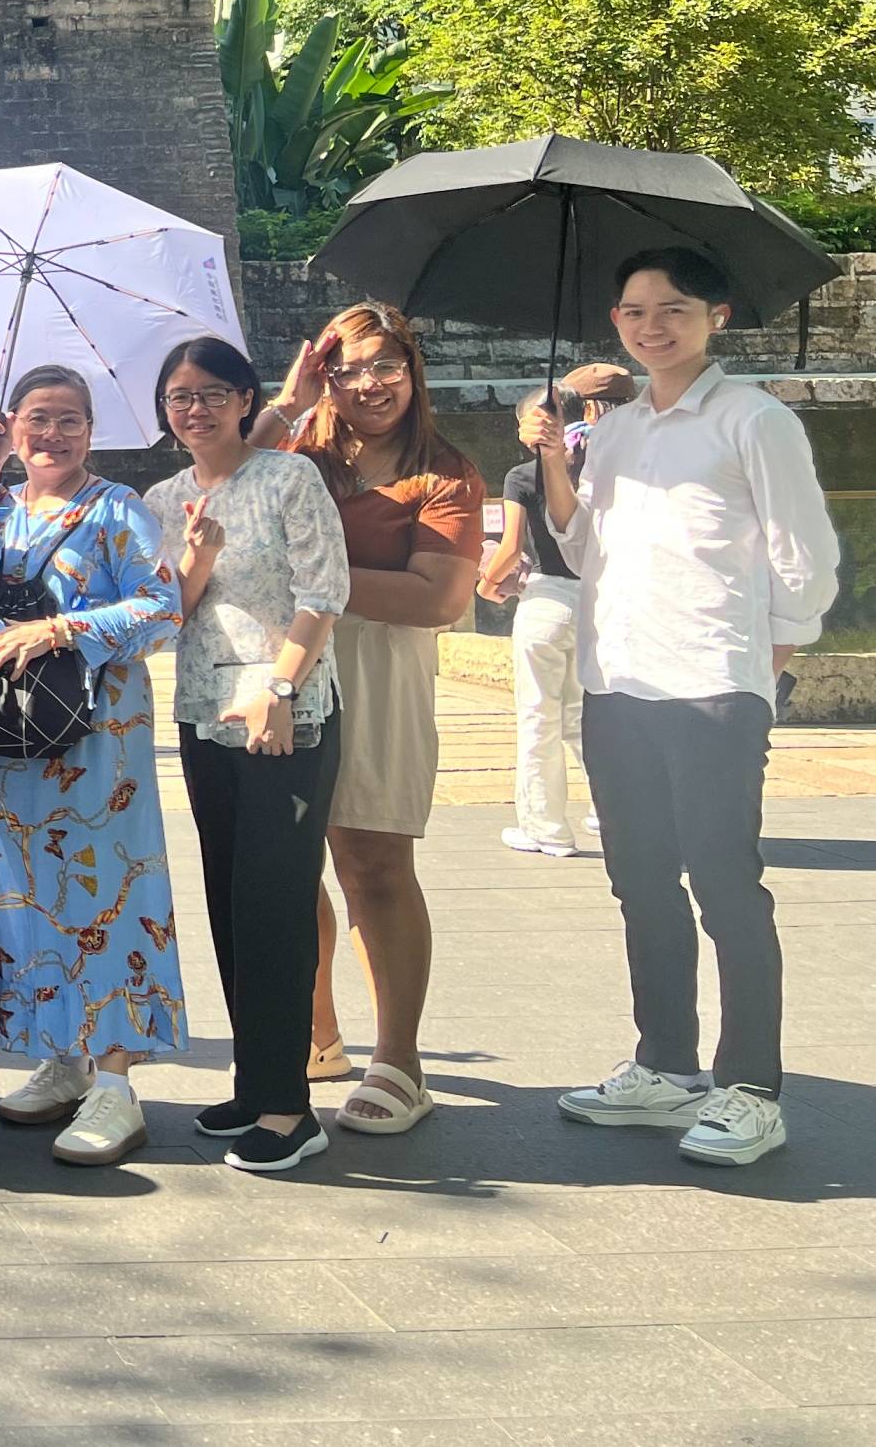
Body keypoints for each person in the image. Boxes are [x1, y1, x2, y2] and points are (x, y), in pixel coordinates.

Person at [535, 248, 838, 1168]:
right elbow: (583, 548)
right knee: (640, 884)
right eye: (632, 310)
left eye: (671, 308)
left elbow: (807, 562)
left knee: (725, 886)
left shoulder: (756, 420)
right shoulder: (616, 430)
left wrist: (762, 669)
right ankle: (666, 1065)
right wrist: (553, 458)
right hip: (617, 681)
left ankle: (751, 1088)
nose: (649, 325)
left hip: (712, 687)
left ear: (718, 315)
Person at [0, 364, 186, 1167]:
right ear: (11, 425)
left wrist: (59, 632)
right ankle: (64, 1052)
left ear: (91, 431)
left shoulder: (118, 509)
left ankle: (117, 1082)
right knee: (25, 889)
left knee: (104, 891)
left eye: (68, 421)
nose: (51, 436)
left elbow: (161, 608)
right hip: (11, 740)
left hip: (94, 741)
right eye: (37, 419)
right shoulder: (2, 508)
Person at [263, 303, 483, 1137]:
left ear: (413, 371)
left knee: (373, 864)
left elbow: (439, 596)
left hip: (378, 672)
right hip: (281, 668)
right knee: (287, 863)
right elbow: (221, 481)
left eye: (385, 366)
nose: (368, 385)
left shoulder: (444, 471)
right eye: (348, 369)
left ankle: (401, 1060)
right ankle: (315, 1034)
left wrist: (311, 572)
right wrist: (288, 399)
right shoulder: (297, 453)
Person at [142, 339, 348, 1176]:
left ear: (244, 399)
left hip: (286, 718)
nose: (194, 409)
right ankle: (253, 1078)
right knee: (230, 898)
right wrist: (196, 556)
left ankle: (290, 1106)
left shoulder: (289, 477)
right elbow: (168, 614)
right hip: (205, 715)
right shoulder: (163, 497)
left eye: (211, 394)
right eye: (178, 397)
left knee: (276, 900)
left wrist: (285, 689)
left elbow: (323, 593)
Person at [479, 365, 636, 858]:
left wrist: (486, 587)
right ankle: (610, 811)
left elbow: (508, 550)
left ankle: (545, 827)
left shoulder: (523, 476)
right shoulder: (611, 469)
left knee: (538, 718)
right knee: (584, 717)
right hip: (598, 601)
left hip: (546, 600)